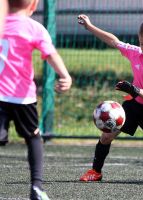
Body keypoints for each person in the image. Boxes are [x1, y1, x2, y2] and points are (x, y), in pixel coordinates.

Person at [77, 14, 143, 182]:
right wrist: (89, 26)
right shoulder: (135, 53)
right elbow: (114, 41)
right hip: (133, 105)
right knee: (106, 135)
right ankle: (95, 171)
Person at [0, 0, 72, 199]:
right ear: (33, 5)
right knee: (33, 137)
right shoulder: (34, 28)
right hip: (22, 97)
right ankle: (37, 187)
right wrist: (65, 75)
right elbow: (50, 54)